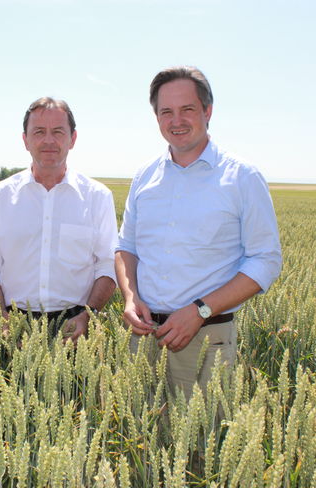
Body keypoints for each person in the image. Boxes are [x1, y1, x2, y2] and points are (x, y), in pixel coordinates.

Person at [115, 66, 282, 401]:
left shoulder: (242, 177)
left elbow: (266, 260)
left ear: (208, 111)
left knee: (203, 446)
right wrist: (132, 298)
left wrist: (200, 310)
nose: (176, 121)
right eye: (166, 112)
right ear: (157, 117)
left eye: (187, 109)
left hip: (206, 337)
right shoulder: (144, 176)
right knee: (141, 444)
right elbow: (126, 247)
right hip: (143, 337)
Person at [0, 97, 118, 343]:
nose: (49, 141)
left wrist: (88, 315)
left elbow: (107, 266)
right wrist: (0, 317)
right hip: (13, 325)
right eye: (39, 132)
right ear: (25, 140)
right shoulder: (0, 196)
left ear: (72, 139)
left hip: (76, 326)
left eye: (58, 132)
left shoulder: (97, 196)